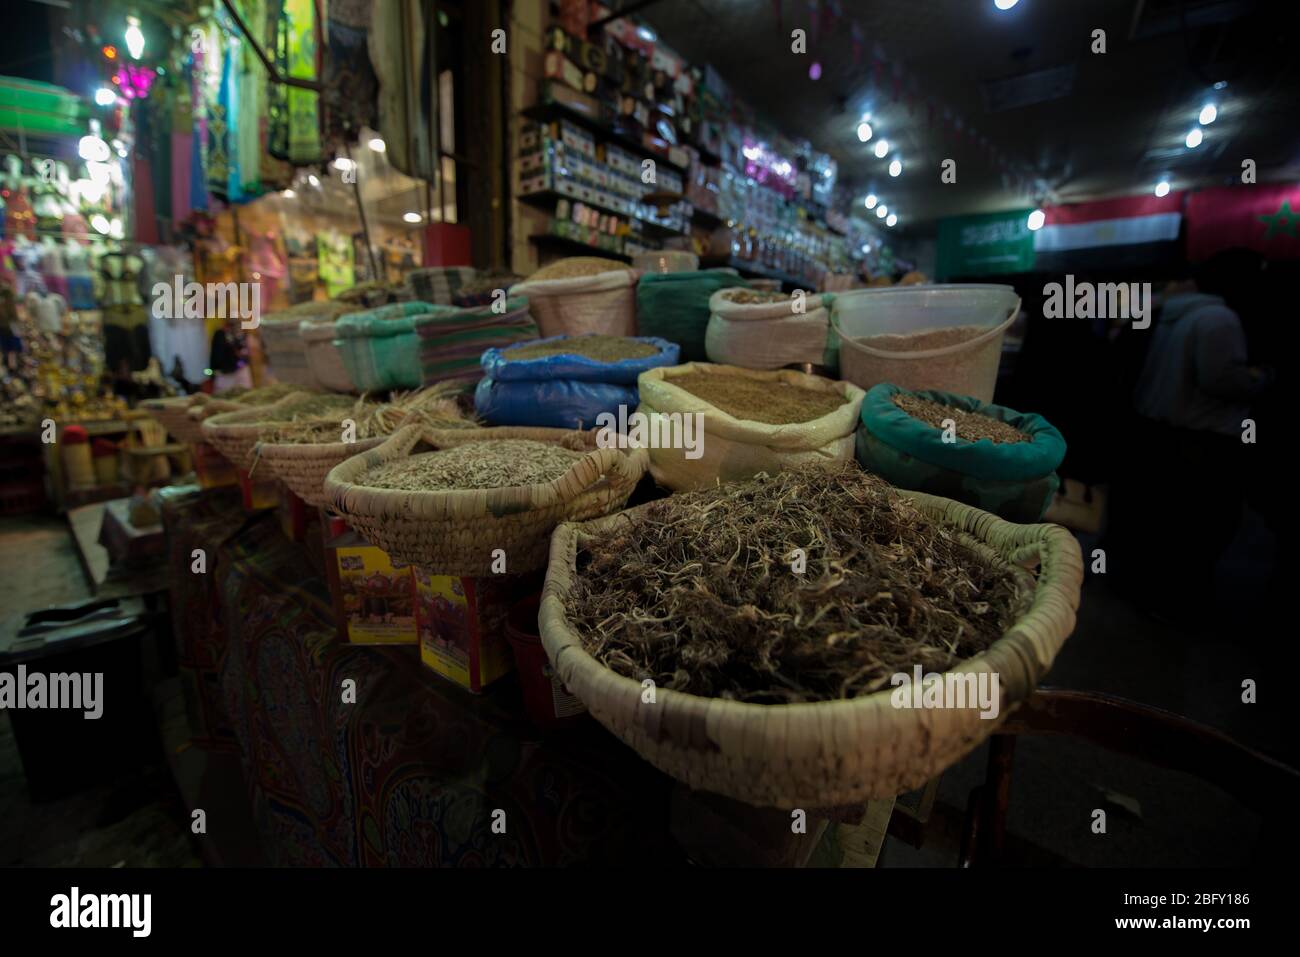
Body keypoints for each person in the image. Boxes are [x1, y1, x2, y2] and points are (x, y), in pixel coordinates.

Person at [1124, 248, 1273, 622]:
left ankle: (1151, 596)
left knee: (1167, 526)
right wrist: (1262, 380)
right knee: (1196, 530)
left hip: (1162, 432)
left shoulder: (1173, 316)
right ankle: (1180, 606)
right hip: (1202, 440)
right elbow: (1220, 379)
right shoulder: (1218, 319)